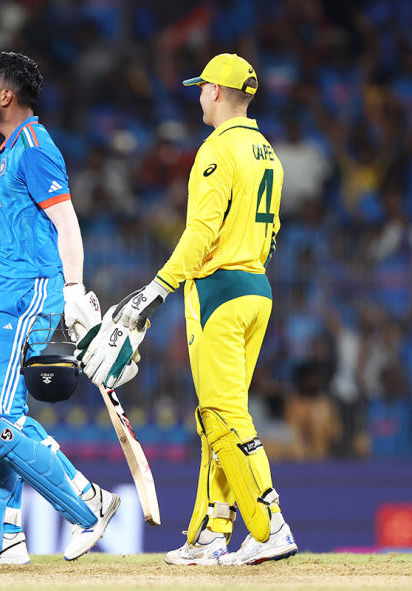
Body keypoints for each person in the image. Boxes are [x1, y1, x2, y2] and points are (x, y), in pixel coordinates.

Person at [81, 54, 298, 565]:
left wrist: (157, 288)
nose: (199, 95)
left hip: (219, 292)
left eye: (203, 88)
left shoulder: (216, 150)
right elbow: (271, 234)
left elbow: (201, 232)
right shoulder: (269, 152)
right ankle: (209, 534)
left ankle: (270, 528)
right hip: (256, 287)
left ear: (218, 93)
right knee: (217, 416)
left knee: (223, 414)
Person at [0, 52, 120, 565]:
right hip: (6, 289)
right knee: (0, 416)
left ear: (7, 95)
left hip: (29, 289)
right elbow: (2, 180)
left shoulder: (38, 147)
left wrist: (74, 287)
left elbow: (67, 224)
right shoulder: (16, 147)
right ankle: (2, 541)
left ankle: (89, 503)